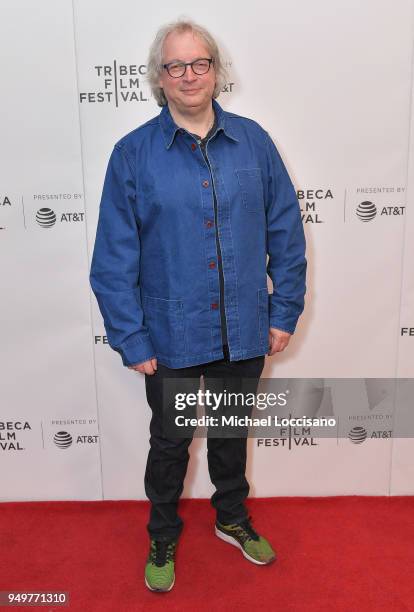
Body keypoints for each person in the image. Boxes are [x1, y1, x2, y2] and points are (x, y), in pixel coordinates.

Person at [89, 18, 307, 593]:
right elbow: (113, 257)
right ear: (159, 78)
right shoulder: (133, 155)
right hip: (170, 333)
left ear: (216, 71)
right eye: (175, 66)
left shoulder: (254, 142)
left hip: (244, 325)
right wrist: (131, 339)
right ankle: (162, 531)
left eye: (199, 64)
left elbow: (285, 228)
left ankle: (232, 517)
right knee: (170, 441)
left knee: (233, 431)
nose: (189, 76)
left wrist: (283, 309)